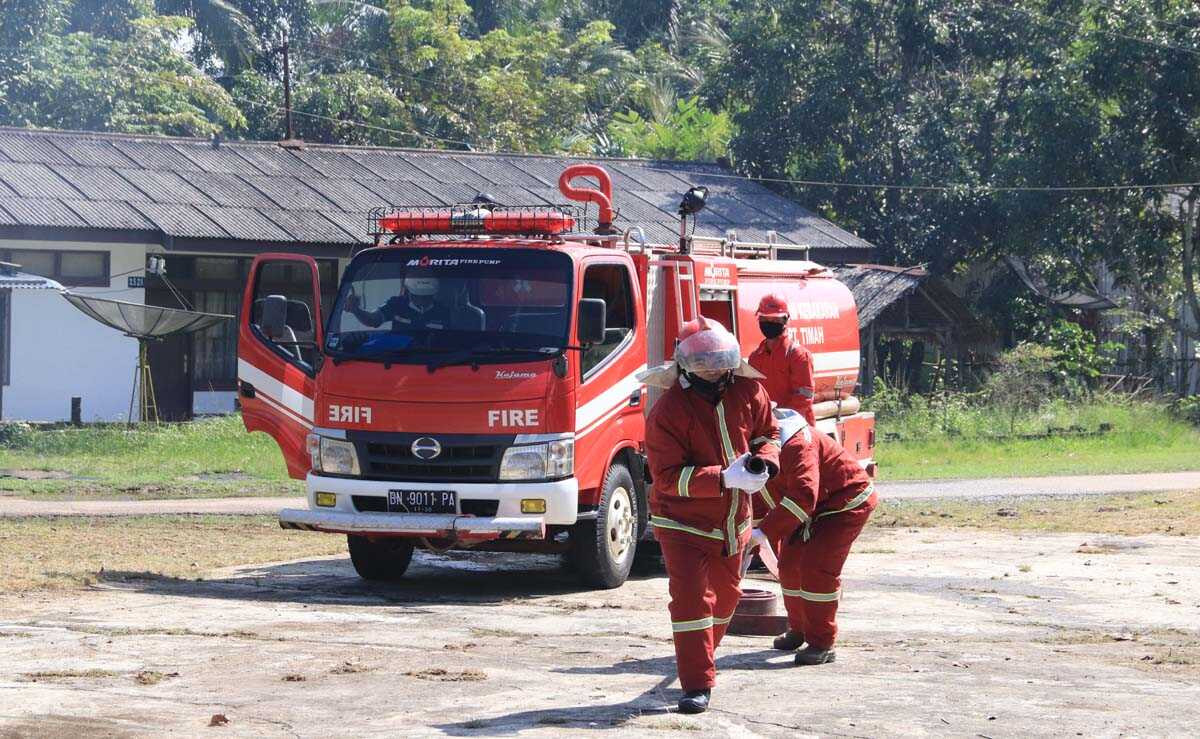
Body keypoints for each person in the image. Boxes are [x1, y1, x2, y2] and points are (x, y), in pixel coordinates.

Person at [640, 316, 781, 714]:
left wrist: (765, 463)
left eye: (720, 361)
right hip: (682, 523)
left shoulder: (749, 390)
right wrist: (722, 477)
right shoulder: (667, 411)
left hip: (733, 521)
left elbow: (767, 434)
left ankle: (703, 653)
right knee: (690, 602)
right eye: (703, 363)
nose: (713, 370)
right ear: (684, 365)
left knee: (727, 598)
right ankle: (697, 684)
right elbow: (666, 479)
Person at [752, 408, 876, 666]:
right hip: (809, 508)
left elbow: (803, 496)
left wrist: (763, 531)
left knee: (816, 569)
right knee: (789, 567)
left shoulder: (798, 444)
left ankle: (822, 643)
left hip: (844, 502)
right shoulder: (760, 444)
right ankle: (799, 630)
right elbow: (762, 492)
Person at [748, 293, 816, 427]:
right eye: (765, 319)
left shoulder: (798, 355)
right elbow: (752, 395)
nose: (769, 324)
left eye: (774, 320)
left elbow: (804, 397)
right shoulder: (755, 357)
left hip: (796, 427)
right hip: (768, 427)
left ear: (786, 320)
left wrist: (780, 417)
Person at [344, 269, 450, 330]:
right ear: (409, 291)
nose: (421, 299)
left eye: (426, 296)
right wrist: (355, 310)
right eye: (417, 295)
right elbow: (373, 320)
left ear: (433, 294)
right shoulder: (396, 304)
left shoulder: (443, 312)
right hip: (397, 357)